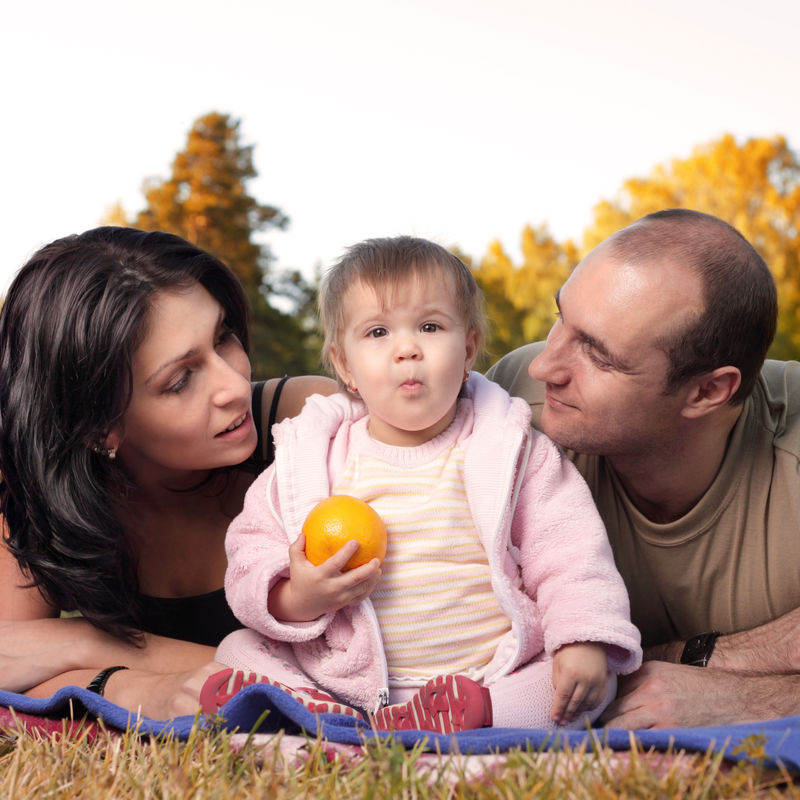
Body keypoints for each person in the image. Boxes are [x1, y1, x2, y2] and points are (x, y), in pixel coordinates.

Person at [212, 235, 641, 734]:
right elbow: (249, 556)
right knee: (236, 649)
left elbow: (570, 550)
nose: (407, 349)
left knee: (590, 681)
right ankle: (315, 705)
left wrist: (581, 639)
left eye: (430, 326)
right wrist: (297, 598)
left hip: (489, 672)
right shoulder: (313, 458)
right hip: (346, 677)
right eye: (377, 332)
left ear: (469, 351)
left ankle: (476, 715)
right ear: (345, 365)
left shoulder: (510, 450)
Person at [0, 226, 336, 719]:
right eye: (180, 381)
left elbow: (365, 677)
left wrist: (83, 644)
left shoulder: (309, 422)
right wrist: (136, 688)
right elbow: (11, 657)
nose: (233, 386)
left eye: (223, 337)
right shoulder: (34, 500)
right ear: (98, 428)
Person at [486, 208, 800, 729]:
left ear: (707, 391)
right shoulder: (515, 403)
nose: (545, 366)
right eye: (561, 317)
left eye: (598, 355)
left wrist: (749, 701)